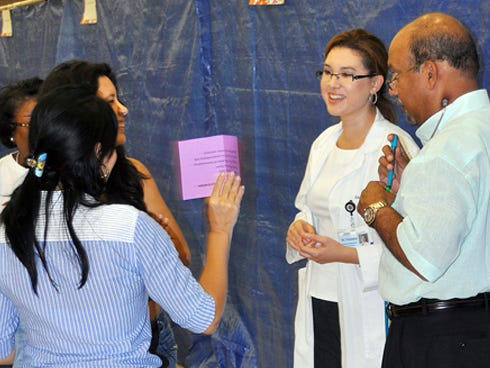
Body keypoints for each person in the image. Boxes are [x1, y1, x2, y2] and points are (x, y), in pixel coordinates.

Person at [0, 85, 244, 367]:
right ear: (99, 153)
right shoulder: (130, 227)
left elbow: (4, 353)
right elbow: (205, 318)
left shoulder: (7, 231)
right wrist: (220, 231)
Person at [357, 12, 490, 368]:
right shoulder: (478, 131)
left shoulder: (448, 150)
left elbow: (423, 258)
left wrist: (375, 207)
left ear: (430, 73)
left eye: (397, 75)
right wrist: (405, 191)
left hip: (440, 340)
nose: (394, 89)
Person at [39, 59, 189, 367]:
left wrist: (161, 246)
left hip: (147, 339)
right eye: (110, 102)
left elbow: (182, 259)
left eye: (118, 99)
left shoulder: (134, 174)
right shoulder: (40, 190)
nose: (123, 109)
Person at [285, 29, 419, 368]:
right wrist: (298, 228)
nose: (333, 83)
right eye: (328, 72)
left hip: (368, 301)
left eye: (347, 75)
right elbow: (307, 208)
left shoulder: (394, 149)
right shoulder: (324, 143)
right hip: (320, 296)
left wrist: (345, 254)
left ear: (375, 83)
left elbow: (415, 243)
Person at [0, 78, 43, 209]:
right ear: (10, 129)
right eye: (31, 124)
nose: (42, 129)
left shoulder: (72, 173)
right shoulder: (3, 173)